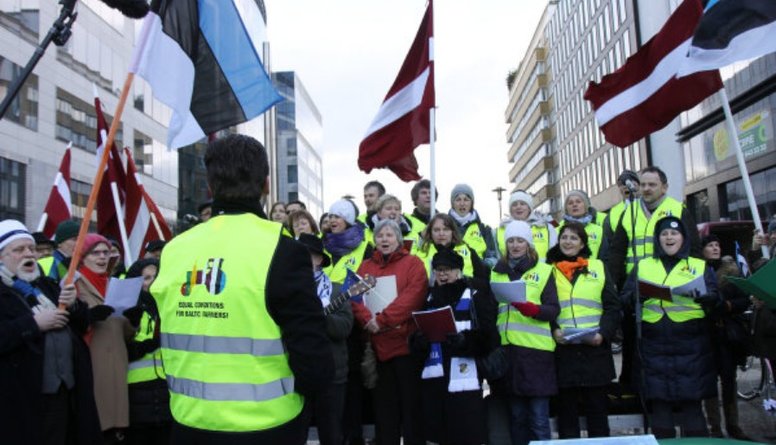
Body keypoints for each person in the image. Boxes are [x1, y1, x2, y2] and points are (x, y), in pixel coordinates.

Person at [149, 134, 334, 444]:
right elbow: (313, 360)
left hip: (189, 421)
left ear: (210, 185)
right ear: (266, 185)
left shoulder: (174, 250)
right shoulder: (284, 250)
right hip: (268, 424)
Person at [0, 219, 102, 445]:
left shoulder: (46, 285)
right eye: (19, 250)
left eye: (32, 249)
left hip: (67, 393)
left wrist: (74, 304)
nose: (29, 254)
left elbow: (81, 324)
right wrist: (33, 324)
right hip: (24, 397)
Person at [620, 216, 719, 438]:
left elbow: (716, 299)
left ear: (683, 238)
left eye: (674, 233)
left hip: (692, 346)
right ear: (658, 239)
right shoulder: (643, 265)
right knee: (660, 409)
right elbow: (624, 298)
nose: (669, 237)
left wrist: (709, 298)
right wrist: (638, 296)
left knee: (693, 408)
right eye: (664, 234)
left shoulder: (698, 265)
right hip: (654, 347)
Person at [608, 166, 701, 395]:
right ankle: (630, 384)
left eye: (652, 184)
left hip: (670, 282)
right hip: (635, 285)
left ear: (664, 187)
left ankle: (667, 388)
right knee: (632, 337)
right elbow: (617, 251)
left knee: (663, 338)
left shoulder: (677, 210)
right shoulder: (628, 213)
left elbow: (694, 249)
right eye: (643, 184)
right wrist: (612, 283)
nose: (646, 189)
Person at [352, 219, 428, 445]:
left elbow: (412, 297)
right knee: (385, 414)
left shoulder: (413, 263)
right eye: (380, 236)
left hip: (406, 348)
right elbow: (354, 297)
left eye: (389, 235)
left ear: (398, 239)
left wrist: (383, 320)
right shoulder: (365, 267)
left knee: (412, 411)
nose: (384, 240)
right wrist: (368, 320)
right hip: (377, 350)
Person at [413, 248, 498, 445]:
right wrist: (420, 342)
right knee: (436, 435)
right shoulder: (428, 298)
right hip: (434, 382)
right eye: (438, 270)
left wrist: (465, 342)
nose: (442, 274)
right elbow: (417, 336)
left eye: (447, 270)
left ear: (458, 271)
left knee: (465, 433)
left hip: (464, 380)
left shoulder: (476, 296)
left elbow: (490, 337)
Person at [546, 222, 621, 439]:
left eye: (573, 238)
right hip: (563, 352)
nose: (567, 242)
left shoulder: (597, 266)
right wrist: (554, 330)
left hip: (594, 352)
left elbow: (612, 306)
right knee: (567, 419)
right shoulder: (548, 269)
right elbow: (543, 305)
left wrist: (603, 335)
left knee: (598, 417)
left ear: (582, 244)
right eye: (564, 237)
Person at [491, 220, 559, 445]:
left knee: (539, 420)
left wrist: (534, 309)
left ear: (528, 243)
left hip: (536, 354)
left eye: (520, 240)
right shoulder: (497, 272)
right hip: (509, 353)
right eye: (511, 240)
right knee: (517, 418)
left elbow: (553, 309)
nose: (515, 245)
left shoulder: (544, 270)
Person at [76, 233, 139, 444]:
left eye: (106, 252)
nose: (102, 257)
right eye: (96, 253)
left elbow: (124, 333)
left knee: (115, 429)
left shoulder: (113, 285)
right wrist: (87, 318)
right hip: (92, 363)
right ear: (83, 256)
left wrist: (133, 321)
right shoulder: (74, 284)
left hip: (117, 366)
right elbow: (68, 323)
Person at [297, 234, 353, 445]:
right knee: (296, 433)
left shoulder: (337, 290)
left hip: (332, 374)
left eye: (308, 255)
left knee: (331, 434)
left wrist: (321, 317)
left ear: (319, 260)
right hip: (298, 371)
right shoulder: (288, 290)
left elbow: (344, 327)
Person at [700, 239, 750, 440]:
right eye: (710, 245)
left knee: (729, 381)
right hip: (705, 335)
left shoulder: (731, 272)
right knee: (709, 383)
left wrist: (727, 306)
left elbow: (743, 299)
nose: (715, 248)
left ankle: (733, 425)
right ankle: (714, 427)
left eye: (717, 245)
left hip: (726, 335)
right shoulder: (697, 271)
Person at [413, 213, 490, 284]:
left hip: (463, 294)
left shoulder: (468, 251)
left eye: (445, 229)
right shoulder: (421, 252)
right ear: (430, 232)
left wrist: (464, 280)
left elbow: (483, 281)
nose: (441, 234)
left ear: (452, 231)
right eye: (436, 230)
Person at [495, 190, 557, 261]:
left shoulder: (546, 226)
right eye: (514, 204)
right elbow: (497, 257)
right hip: (510, 271)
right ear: (510, 209)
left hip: (542, 270)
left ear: (529, 208)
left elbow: (554, 252)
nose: (518, 207)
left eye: (522, 204)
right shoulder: (500, 230)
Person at [323, 199, 373, 284]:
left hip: (351, 295)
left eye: (337, 216)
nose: (332, 220)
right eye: (330, 216)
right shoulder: (323, 242)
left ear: (348, 220)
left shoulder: (365, 247)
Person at [448, 184, 498, 267]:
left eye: (466, 199)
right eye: (458, 200)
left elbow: (492, 258)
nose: (462, 203)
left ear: (472, 203)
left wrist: (481, 266)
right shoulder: (444, 227)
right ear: (452, 203)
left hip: (478, 278)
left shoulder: (484, 230)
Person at [558, 190, 606, 259]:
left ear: (585, 205)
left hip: (592, 269)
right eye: (570, 203)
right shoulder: (558, 229)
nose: (574, 205)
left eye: (578, 202)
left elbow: (605, 257)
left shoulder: (598, 230)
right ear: (566, 208)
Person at [602, 170, 640, 247]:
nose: (626, 185)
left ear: (639, 185)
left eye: (630, 181)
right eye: (622, 184)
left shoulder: (650, 206)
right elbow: (608, 241)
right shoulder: (613, 213)